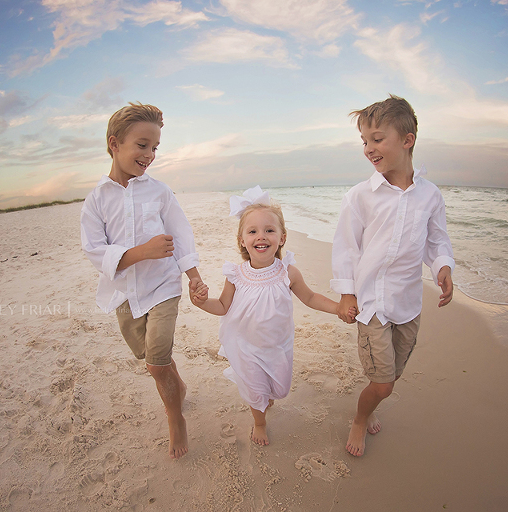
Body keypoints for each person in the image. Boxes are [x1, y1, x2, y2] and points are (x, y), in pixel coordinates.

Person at [80, 102, 207, 459]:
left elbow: (181, 233)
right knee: (152, 358)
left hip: (163, 287)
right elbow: (93, 250)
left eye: (155, 148)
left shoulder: (160, 192)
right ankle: (177, 385)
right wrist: (141, 251)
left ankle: (175, 419)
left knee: (156, 359)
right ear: (114, 144)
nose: (150, 154)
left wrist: (193, 276)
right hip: (123, 294)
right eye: (142, 145)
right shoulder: (96, 200)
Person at [331, 95, 455, 457]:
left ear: (407, 139)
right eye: (365, 141)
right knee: (384, 383)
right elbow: (345, 247)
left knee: (393, 375)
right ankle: (359, 418)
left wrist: (443, 266)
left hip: (408, 303)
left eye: (377, 138)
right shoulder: (360, 196)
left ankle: (372, 402)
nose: (369, 148)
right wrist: (347, 293)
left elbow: (437, 239)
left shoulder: (430, 196)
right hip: (372, 304)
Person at [189, 186, 354, 446]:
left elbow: (310, 298)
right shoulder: (236, 275)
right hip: (246, 347)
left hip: (277, 346)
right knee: (257, 393)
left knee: (279, 389)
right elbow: (222, 306)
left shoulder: (288, 272)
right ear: (242, 240)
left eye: (269, 230)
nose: (261, 236)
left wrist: (338, 307)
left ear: (282, 237)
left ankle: (268, 395)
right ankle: (259, 422)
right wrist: (201, 304)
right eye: (252, 231)